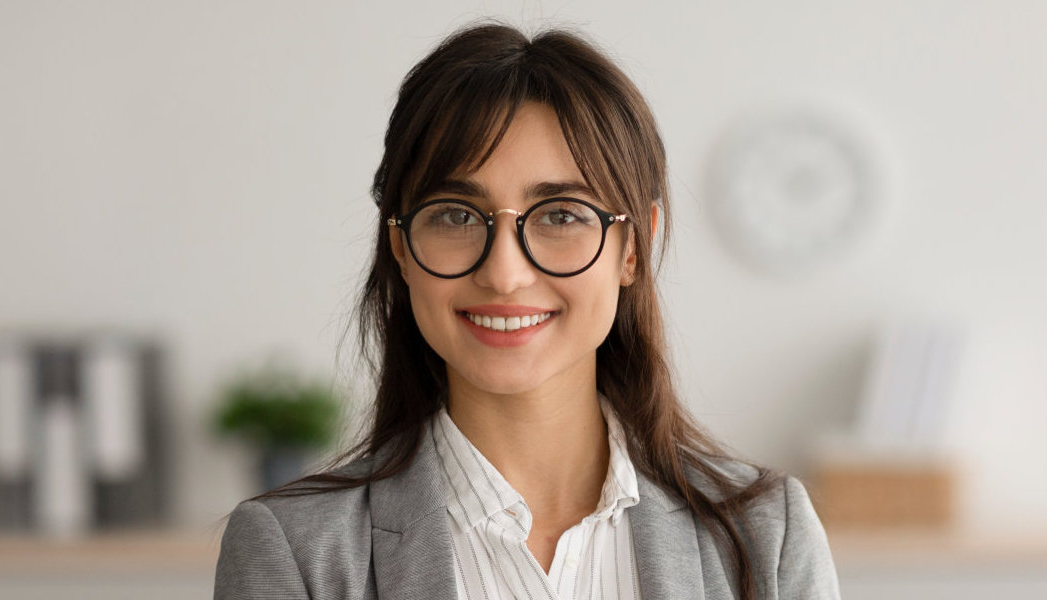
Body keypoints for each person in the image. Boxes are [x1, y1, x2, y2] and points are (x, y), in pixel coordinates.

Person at [215, 21, 840, 600]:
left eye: (562, 215)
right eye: (457, 216)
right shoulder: (293, 551)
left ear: (634, 248)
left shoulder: (766, 534)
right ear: (401, 247)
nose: (505, 274)